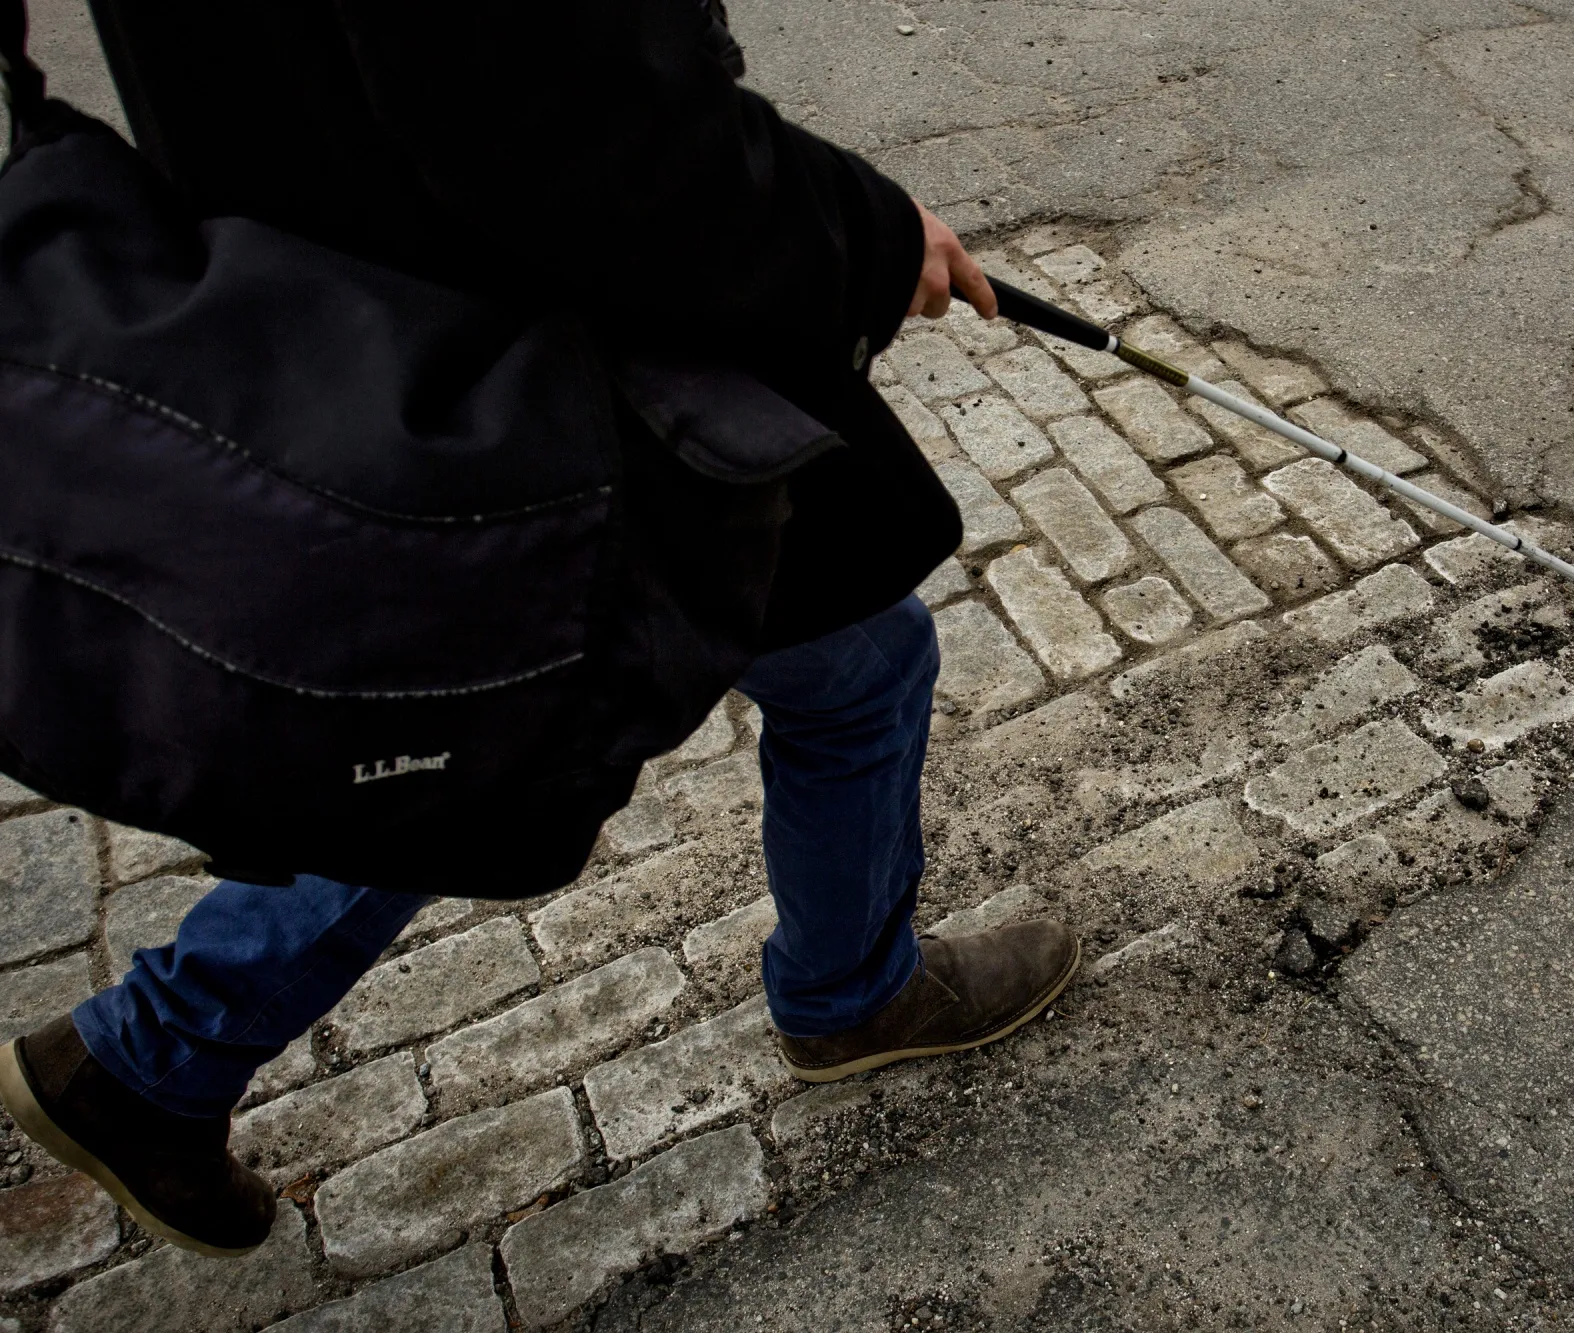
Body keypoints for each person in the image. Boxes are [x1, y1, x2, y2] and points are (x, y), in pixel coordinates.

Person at [0, 0, 1079, 1259]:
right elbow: (578, 129)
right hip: (524, 363)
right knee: (502, 736)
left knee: (483, 723)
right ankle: (852, 997)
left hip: (330, 320)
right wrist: (864, 232)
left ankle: (147, 1064)